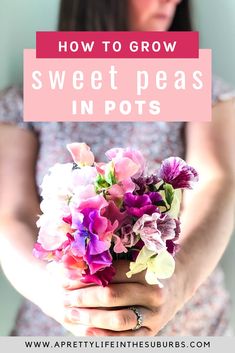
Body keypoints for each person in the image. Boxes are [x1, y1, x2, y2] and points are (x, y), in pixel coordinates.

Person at [0, 0, 235, 336]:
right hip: (55, 331)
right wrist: (66, 304)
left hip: (187, 326)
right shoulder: (22, 102)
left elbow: (217, 181)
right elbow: (11, 215)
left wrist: (175, 284)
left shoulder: (204, 89)